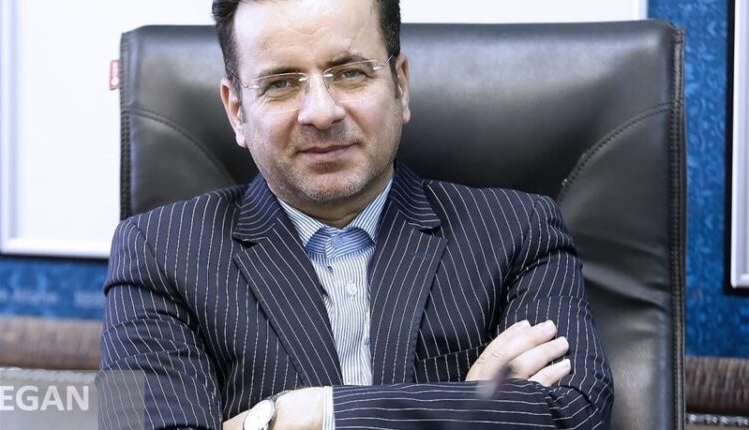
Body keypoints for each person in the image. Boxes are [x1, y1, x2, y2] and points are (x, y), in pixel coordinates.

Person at [100, 0, 613, 428]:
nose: (321, 112)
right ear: (237, 111)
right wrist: (468, 405)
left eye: (349, 73)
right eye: (281, 83)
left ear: (400, 85)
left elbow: (575, 412)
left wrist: (308, 415)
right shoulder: (154, 252)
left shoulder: (518, 232)